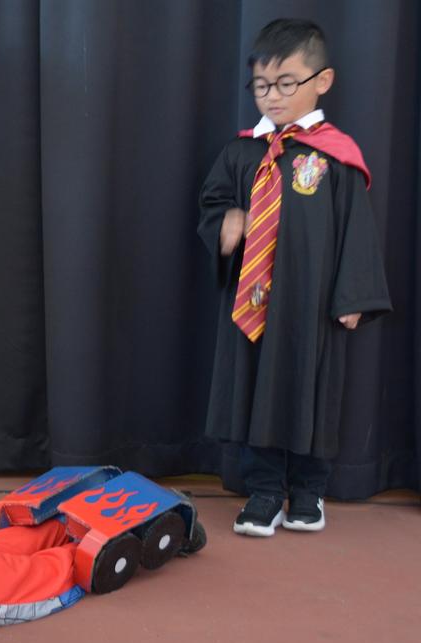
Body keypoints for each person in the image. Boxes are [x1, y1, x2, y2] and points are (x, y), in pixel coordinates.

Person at [198, 18, 391, 537]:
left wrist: (354, 295)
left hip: (313, 303)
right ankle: (263, 492)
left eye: (287, 83)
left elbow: (358, 231)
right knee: (256, 393)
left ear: (321, 81)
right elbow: (213, 204)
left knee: (314, 391)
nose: (272, 96)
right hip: (254, 303)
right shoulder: (242, 152)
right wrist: (225, 224)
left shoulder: (336, 156)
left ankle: (308, 490)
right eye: (262, 85)